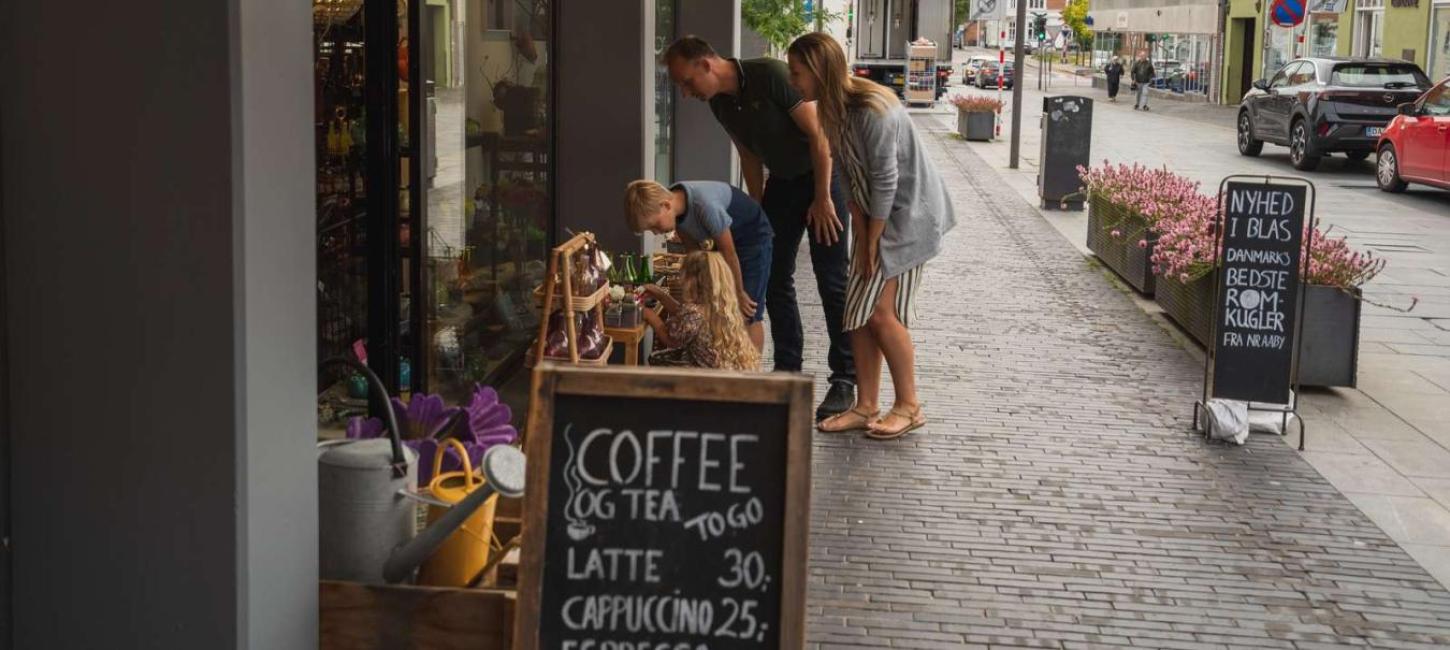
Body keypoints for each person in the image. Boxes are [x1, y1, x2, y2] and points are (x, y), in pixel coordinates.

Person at [663, 35, 857, 422]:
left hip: (822, 179)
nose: (685, 93)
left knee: (831, 280)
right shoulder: (720, 103)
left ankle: (845, 378)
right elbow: (749, 154)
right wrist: (757, 209)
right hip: (782, 186)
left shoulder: (769, 75)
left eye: (686, 82)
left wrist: (823, 198)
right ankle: (787, 369)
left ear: (706, 64)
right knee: (775, 277)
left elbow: (819, 135)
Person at [785, 33, 956, 441]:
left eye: (797, 73)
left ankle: (910, 407)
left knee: (881, 314)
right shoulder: (828, 109)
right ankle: (865, 406)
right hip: (879, 218)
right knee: (856, 313)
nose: (793, 81)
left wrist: (874, 242)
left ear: (819, 70)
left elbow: (884, 181)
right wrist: (860, 238)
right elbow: (848, 175)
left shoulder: (873, 109)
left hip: (911, 218)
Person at [625, 179, 772, 350]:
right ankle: (728, 361)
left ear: (665, 205)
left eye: (655, 225)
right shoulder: (676, 209)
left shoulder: (705, 206)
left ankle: (750, 371)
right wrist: (697, 290)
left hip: (752, 238)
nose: (656, 232)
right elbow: (695, 255)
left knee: (748, 312)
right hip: (726, 241)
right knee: (717, 303)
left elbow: (729, 253)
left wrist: (738, 292)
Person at [642, 252, 761, 371]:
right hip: (727, 376)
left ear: (693, 281)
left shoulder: (694, 315)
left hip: (707, 381)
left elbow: (670, 339)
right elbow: (684, 314)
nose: (680, 281)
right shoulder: (723, 309)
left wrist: (649, 314)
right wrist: (661, 296)